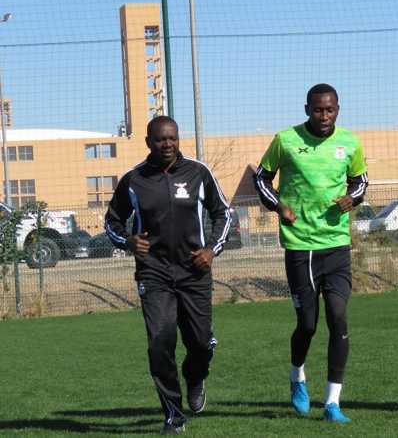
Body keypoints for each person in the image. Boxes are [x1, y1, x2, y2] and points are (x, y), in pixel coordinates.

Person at [105, 116, 231, 435]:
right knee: (160, 343)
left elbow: (224, 213)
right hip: (154, 273)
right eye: (160, 139)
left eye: (172, 138)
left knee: (201, 344)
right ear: (148, 142)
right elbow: (112, 222)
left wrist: (211, 250)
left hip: (194, 272)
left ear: (178, 139)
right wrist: (128, 242)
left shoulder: (198, 173)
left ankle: (196, 377)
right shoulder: (134, 180)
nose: (167, 144)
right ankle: (174, 416)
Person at [253, 83, 368, 423]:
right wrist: (279, 206)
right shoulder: (286, 140)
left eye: (329, 109)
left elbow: (360, 181)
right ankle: (297, 375)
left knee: (338, 318)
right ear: (307, 109)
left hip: (335, 244)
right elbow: (262, 179)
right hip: (300, 246)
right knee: (307, 324)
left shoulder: (349, 143)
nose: (324, 115)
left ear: (338, 109)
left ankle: (333, 402)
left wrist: (352, 198)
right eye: (318, 109)